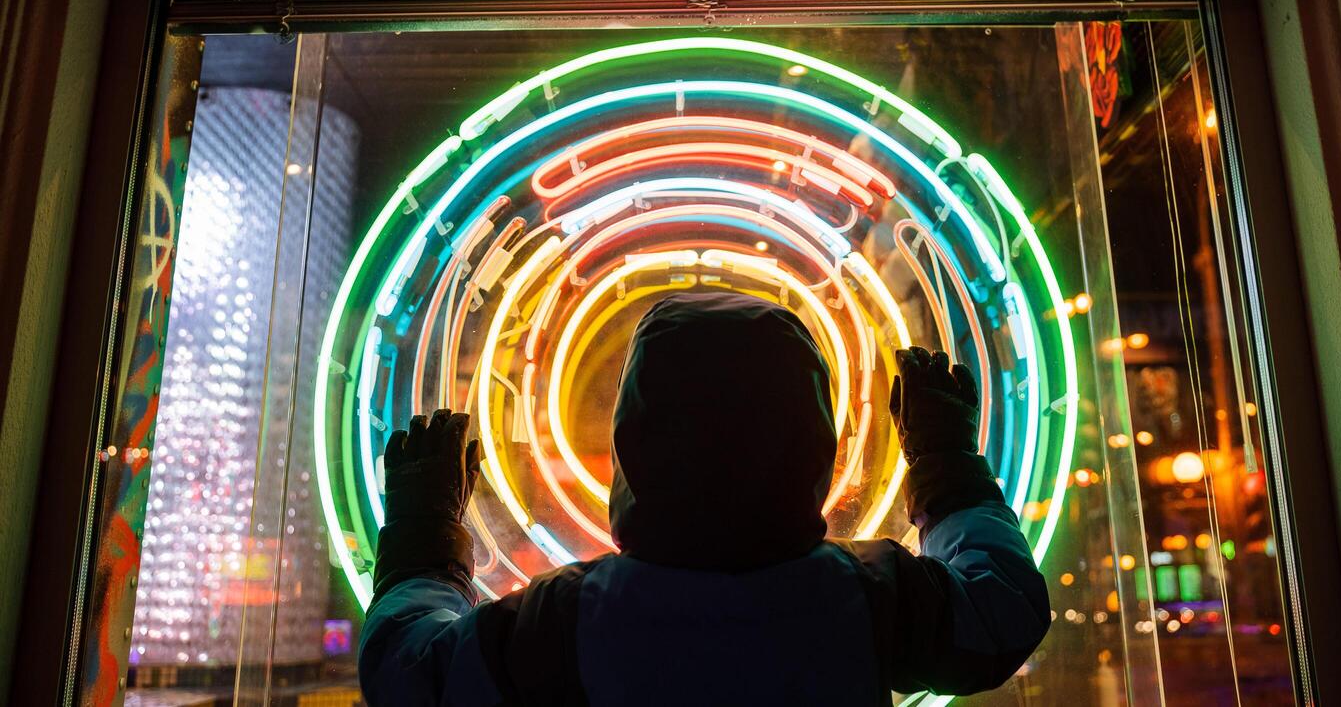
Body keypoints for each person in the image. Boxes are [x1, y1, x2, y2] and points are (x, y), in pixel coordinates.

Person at [360, 292, 1050, 705]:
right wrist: (946, 463)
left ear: (633, 453)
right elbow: (1004, 611)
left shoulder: (571, 618)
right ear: (815, 449)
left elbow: (409, 676)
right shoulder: (868, 595)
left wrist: (425, 530)